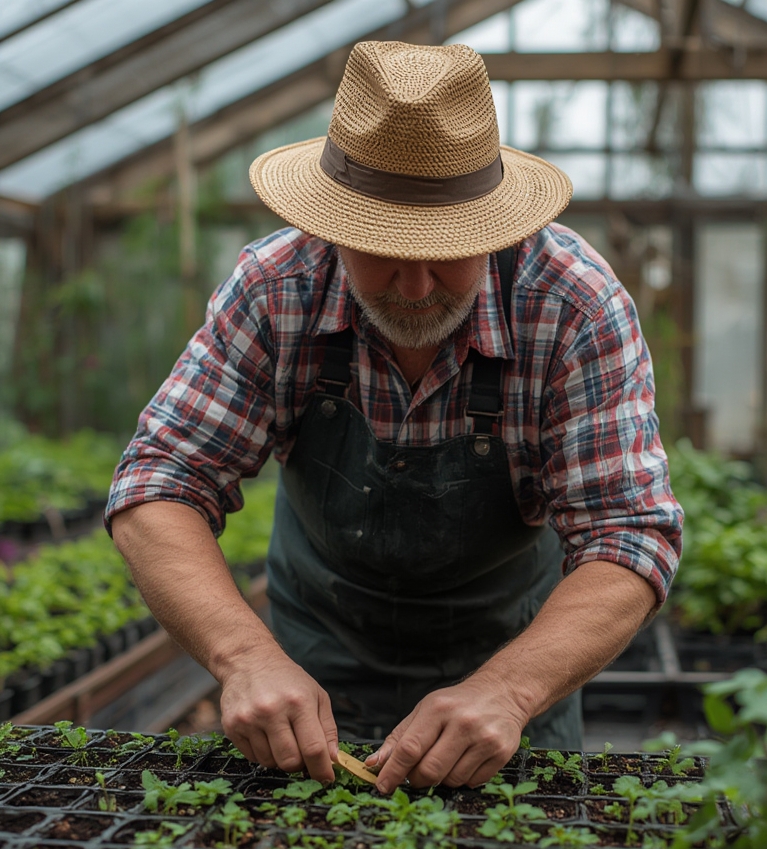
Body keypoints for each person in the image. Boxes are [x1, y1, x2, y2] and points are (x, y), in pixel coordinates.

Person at [106, 40, 682, 794]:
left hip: (507, 679)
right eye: (381, 250)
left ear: (496, 226)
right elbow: (160, 481)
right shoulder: (278, 287)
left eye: (449, 252)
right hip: (312, 664)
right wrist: (245, 658)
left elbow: (628, 531)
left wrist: (508, 691)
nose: (414, 285)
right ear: (332, 224)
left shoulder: (571, 305)